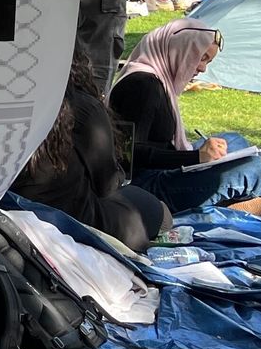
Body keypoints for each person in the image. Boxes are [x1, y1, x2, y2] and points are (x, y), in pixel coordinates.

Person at [109, 20, 261, 216]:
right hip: (143, 185)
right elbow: (127, 154)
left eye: (207, 61)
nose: (202, 68)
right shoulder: (143, 86)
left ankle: (239, 205)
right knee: (251, 168)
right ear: (178, 49)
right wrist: (195, 158)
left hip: (162, 168)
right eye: (201, 58)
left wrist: (200, 158)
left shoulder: (159, 79)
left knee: (234, 141)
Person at [14, 60, 172, 251]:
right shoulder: (82, 106)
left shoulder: (12, 98)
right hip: (74, 220)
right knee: (161, 213)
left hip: (20, 209)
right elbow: (107, 185)